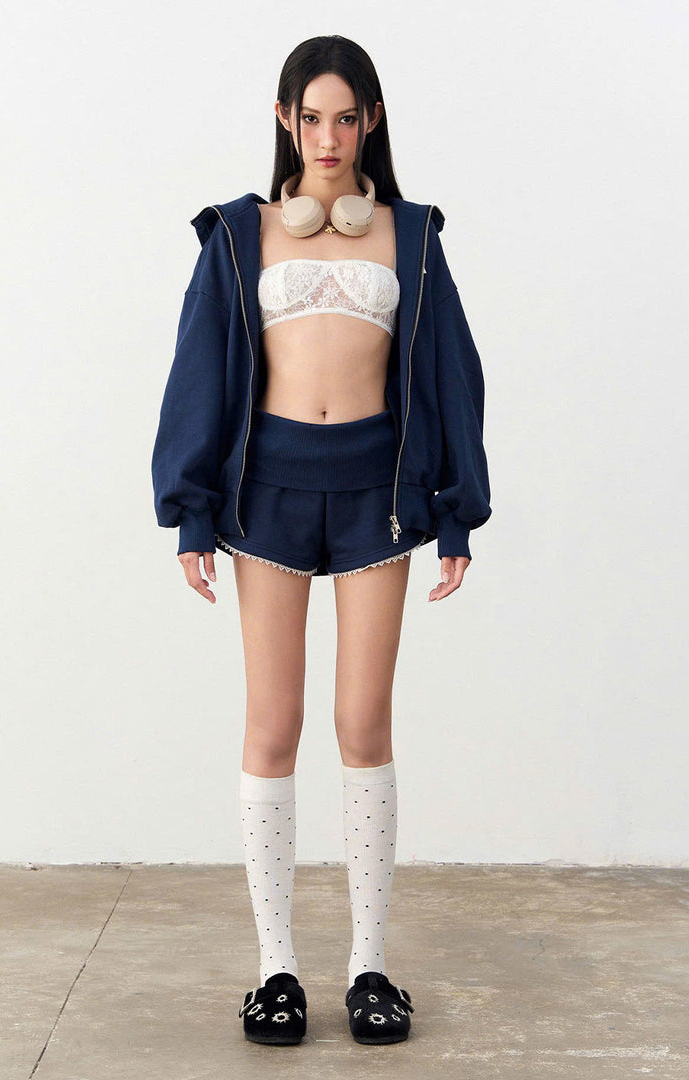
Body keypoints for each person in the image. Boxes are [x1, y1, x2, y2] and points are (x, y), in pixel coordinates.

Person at [151, 34, 492, 1046]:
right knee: (273, 724)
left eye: (347, 118)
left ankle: (369, 966)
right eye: (312, 118)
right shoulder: (240, 233)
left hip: (377, 499)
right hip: (267, 499)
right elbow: (198, 369)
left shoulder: (411, 235)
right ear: (285, 120)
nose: (330, 138)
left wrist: (458, 509)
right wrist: (191, 507)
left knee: (362, 723)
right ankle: (276, 970)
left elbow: (452, 373)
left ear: (370, 121)